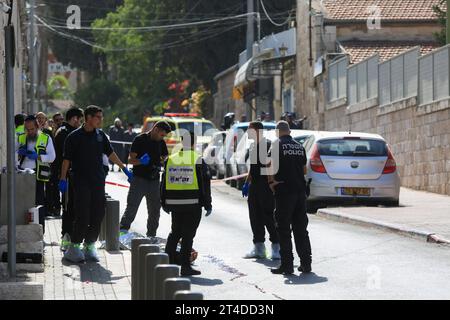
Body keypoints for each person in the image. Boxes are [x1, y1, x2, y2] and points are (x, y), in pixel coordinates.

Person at [59, 105, 133, 263]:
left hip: (98, 180)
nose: (101, 120)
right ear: (89, 118)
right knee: (83, 215)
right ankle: (74, 247)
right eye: (98, 117)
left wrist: (124, 169)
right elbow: (66, 160)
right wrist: (62, 179)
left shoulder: (100, 136)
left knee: (98, 213)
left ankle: (89, 246)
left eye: (101, 117)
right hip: (80, 181)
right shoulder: (74, 137)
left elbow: (110, 153)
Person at [161, 131, 212, 276]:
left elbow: (163, 183)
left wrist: (163, 202)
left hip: (174, 203)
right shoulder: (198, 160)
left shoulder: (171, 159)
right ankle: (185, 266)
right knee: (188, 235)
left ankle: (167, 262)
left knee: (175, 232)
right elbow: (205, 184)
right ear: (194, 143)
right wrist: (208, 204)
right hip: (192, 203)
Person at [268, 121, 312, 275]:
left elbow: (271, 166)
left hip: (284, 192)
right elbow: (304, 170)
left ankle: (287, 265)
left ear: (277, 132)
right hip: (300, 192)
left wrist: (271, 183)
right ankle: (306, 264)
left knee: (284, 229)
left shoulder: (276, 145)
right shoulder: (299, 147)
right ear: (289, 131)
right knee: (301, 229)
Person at [119, 121, 172, 240]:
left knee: (154, 211)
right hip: (139, 180)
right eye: (162, 135)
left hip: (154, 181)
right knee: (131, 208)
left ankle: (151, 236)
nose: (162, 137)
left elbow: (165, 159)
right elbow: (130, 160)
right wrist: (140, 161)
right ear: (156, 129)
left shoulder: (161, 143)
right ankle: (121, 234)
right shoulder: (140, 139)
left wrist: (164, 162)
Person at [242, 122, 280, 260]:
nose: (247, 132)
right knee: (255, 216)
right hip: (255, 185)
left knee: (268, 216)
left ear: (257, 130)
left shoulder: (268, 145)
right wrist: (246, 183)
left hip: (266, 185)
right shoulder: (253, 146)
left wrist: (271, 183)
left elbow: (272, 165)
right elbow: (252, 169)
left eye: (249, 130)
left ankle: (276, 247)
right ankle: (259, 247)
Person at [16, 115, 56, 234]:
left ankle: (39, 232)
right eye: (27, 129)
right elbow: (12, 155)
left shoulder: (45, 138)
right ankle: (23, 231)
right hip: (23, 175)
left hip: (38, 176)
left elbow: (52, 157)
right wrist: (18, 153)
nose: (30, 132)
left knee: (38, 204)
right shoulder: (21, 138)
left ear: (37, 126)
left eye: (32, 129)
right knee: (23, 203)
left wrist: (38, 156)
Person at [53, 107, 84, 250]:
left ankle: (70, 237)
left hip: (70, 175)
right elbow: (67, 157)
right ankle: (66, 238)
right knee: (68, 208)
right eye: (79, 119)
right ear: (74, 118)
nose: (80, 123)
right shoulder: (65, 133)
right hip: (66, 176)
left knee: (73, 207)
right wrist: (63, 178)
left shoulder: (66, 131)